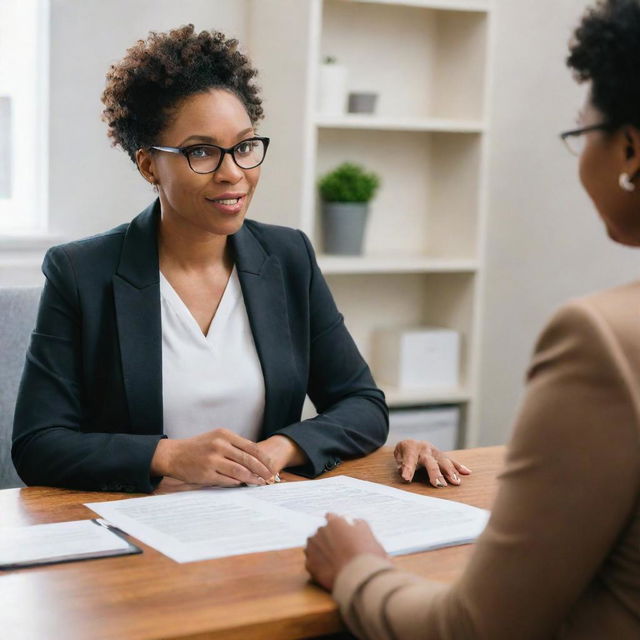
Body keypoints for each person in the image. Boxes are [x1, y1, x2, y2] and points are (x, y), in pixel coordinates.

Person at [305, 1, 640, 637]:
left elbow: (476, 628)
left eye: (581, 133)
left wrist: (357, 569)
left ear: (629, 148)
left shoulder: (602, 340)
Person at [11, 25, 464, 494]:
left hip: (261, 517)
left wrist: (279, 448)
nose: (234, 174)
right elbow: (38, 445)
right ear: (148, 164)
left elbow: (362, 404)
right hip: (143, 524)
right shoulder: (82, 272)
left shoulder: (288, 258)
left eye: (245, 147)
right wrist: (168, 456)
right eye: (201, 152)